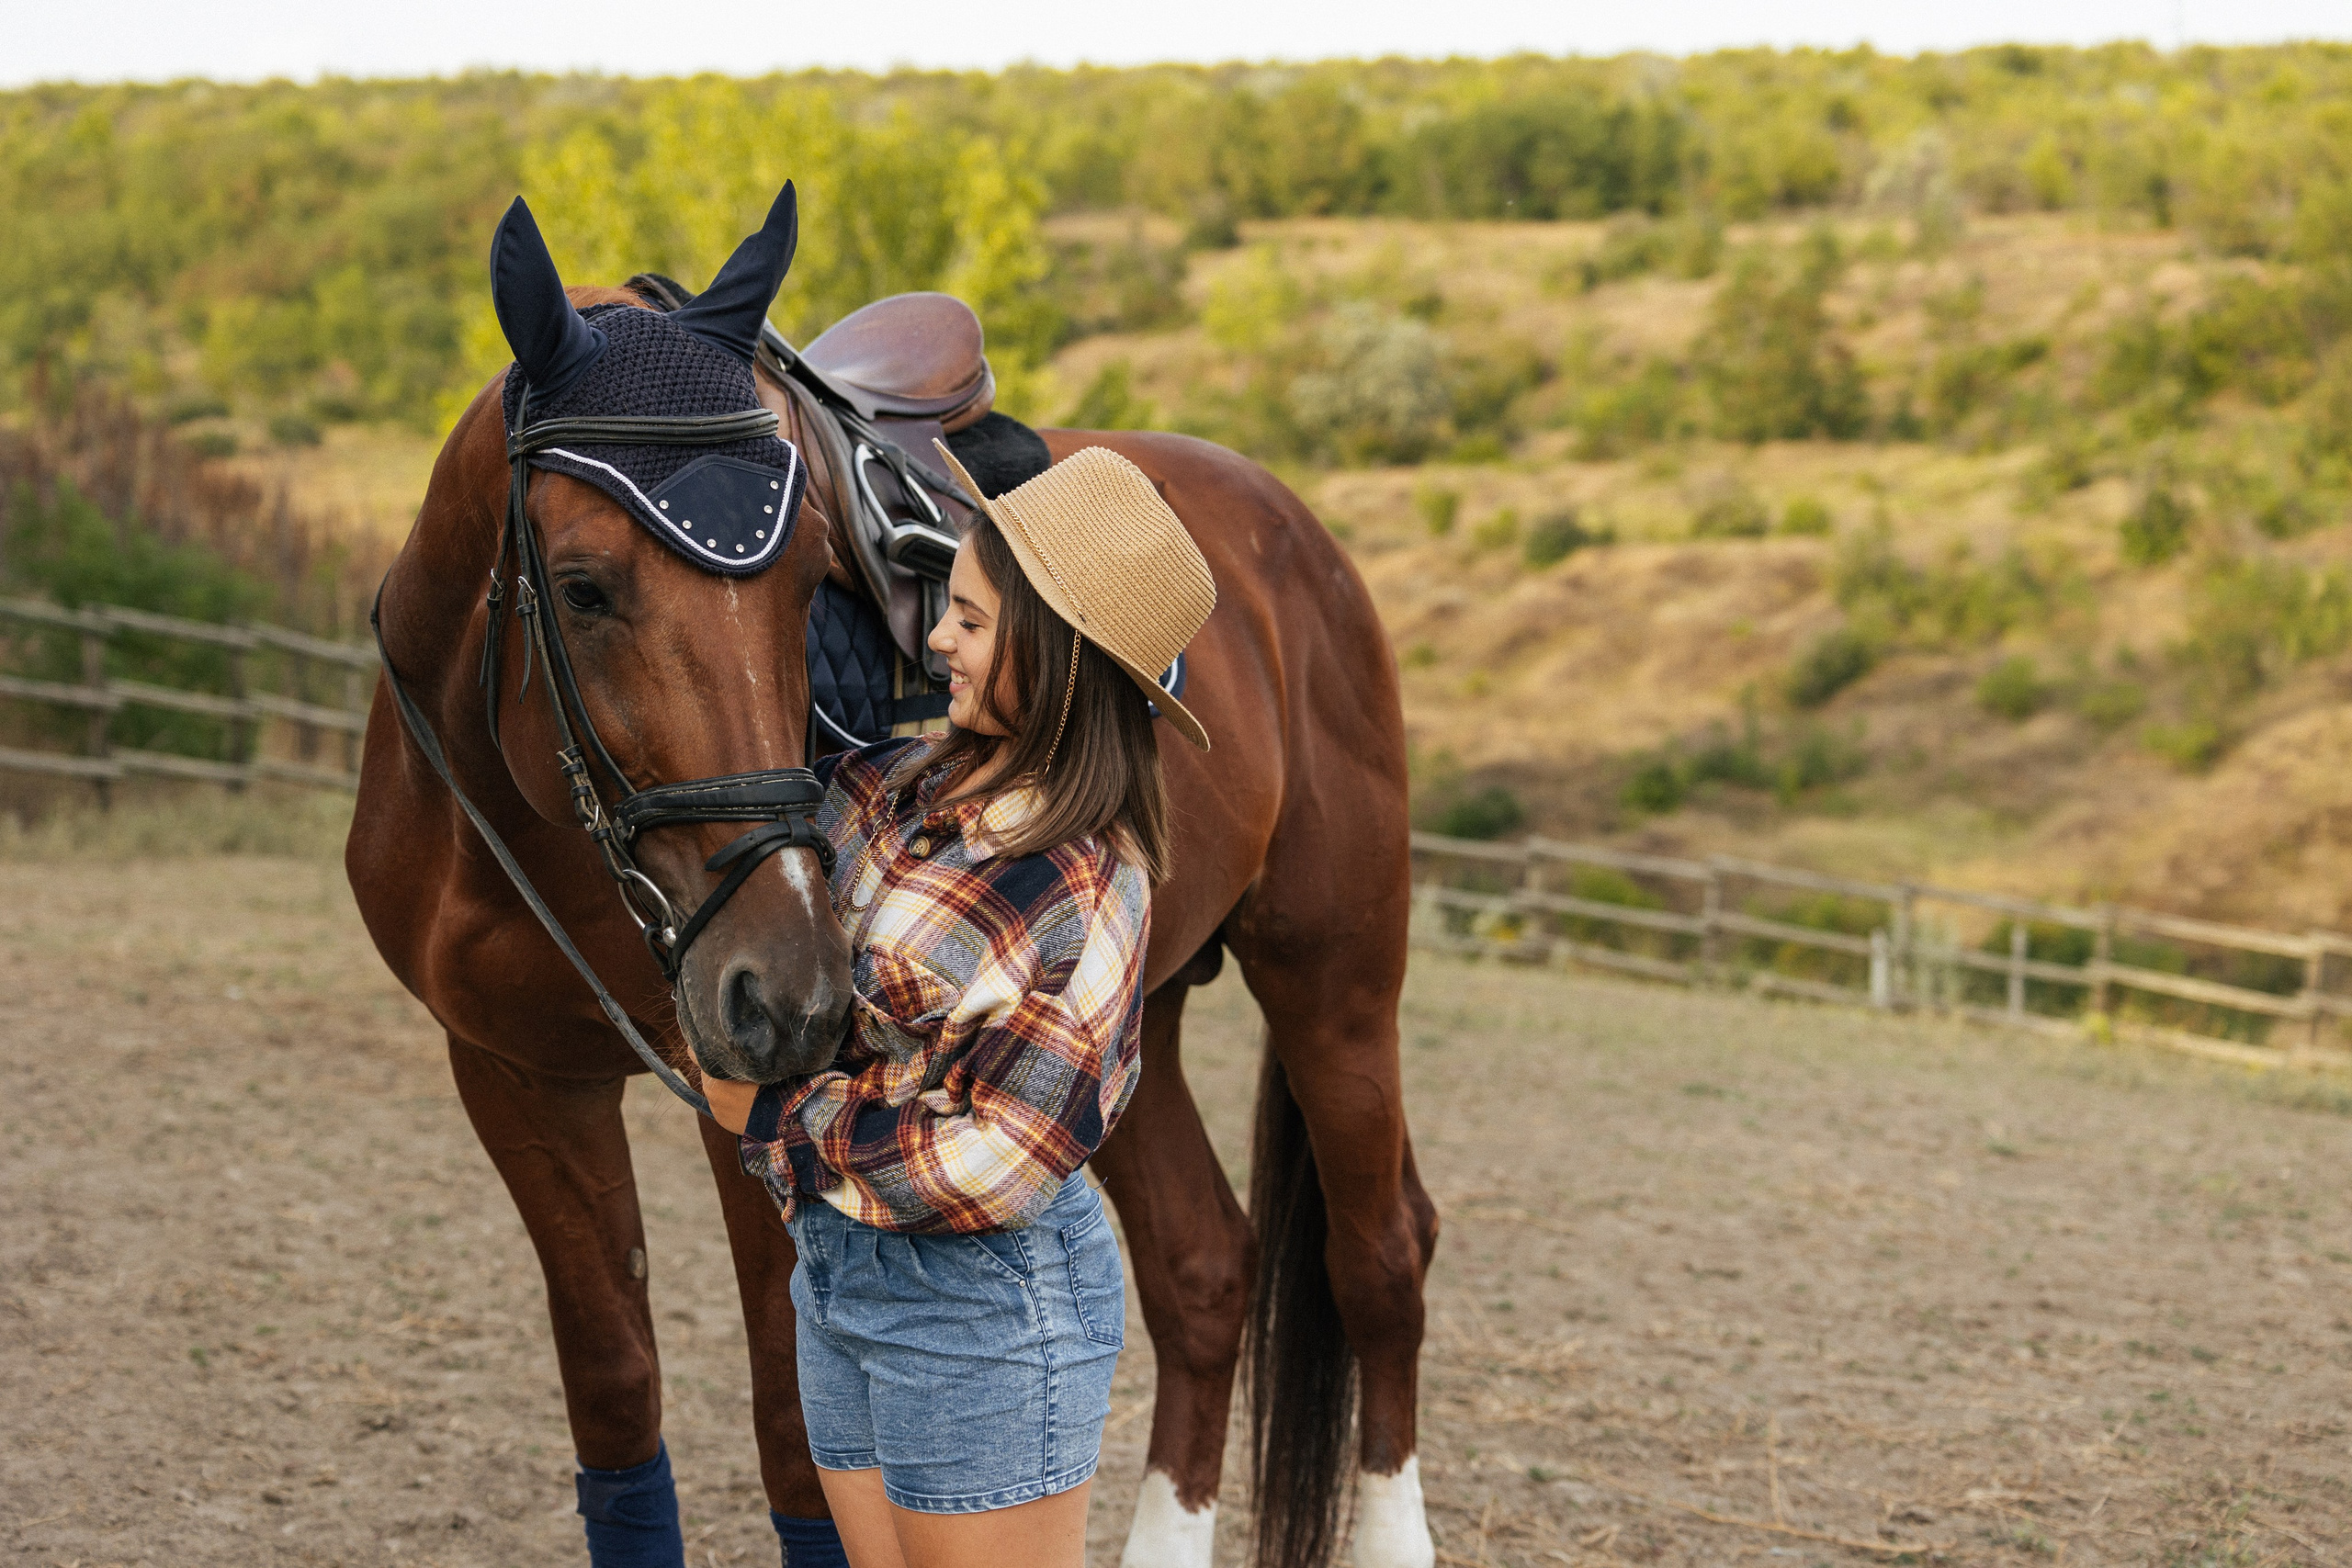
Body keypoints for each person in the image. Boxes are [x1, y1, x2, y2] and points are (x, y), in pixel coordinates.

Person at [703, 441, 1216, 1568]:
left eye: (972, 622)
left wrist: (781, 1121)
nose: (935, 638)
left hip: (983, 1305)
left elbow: (1002, 1159)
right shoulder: (890, 786)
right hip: (837, 1268)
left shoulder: (1087, 884)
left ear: (1060, 656)